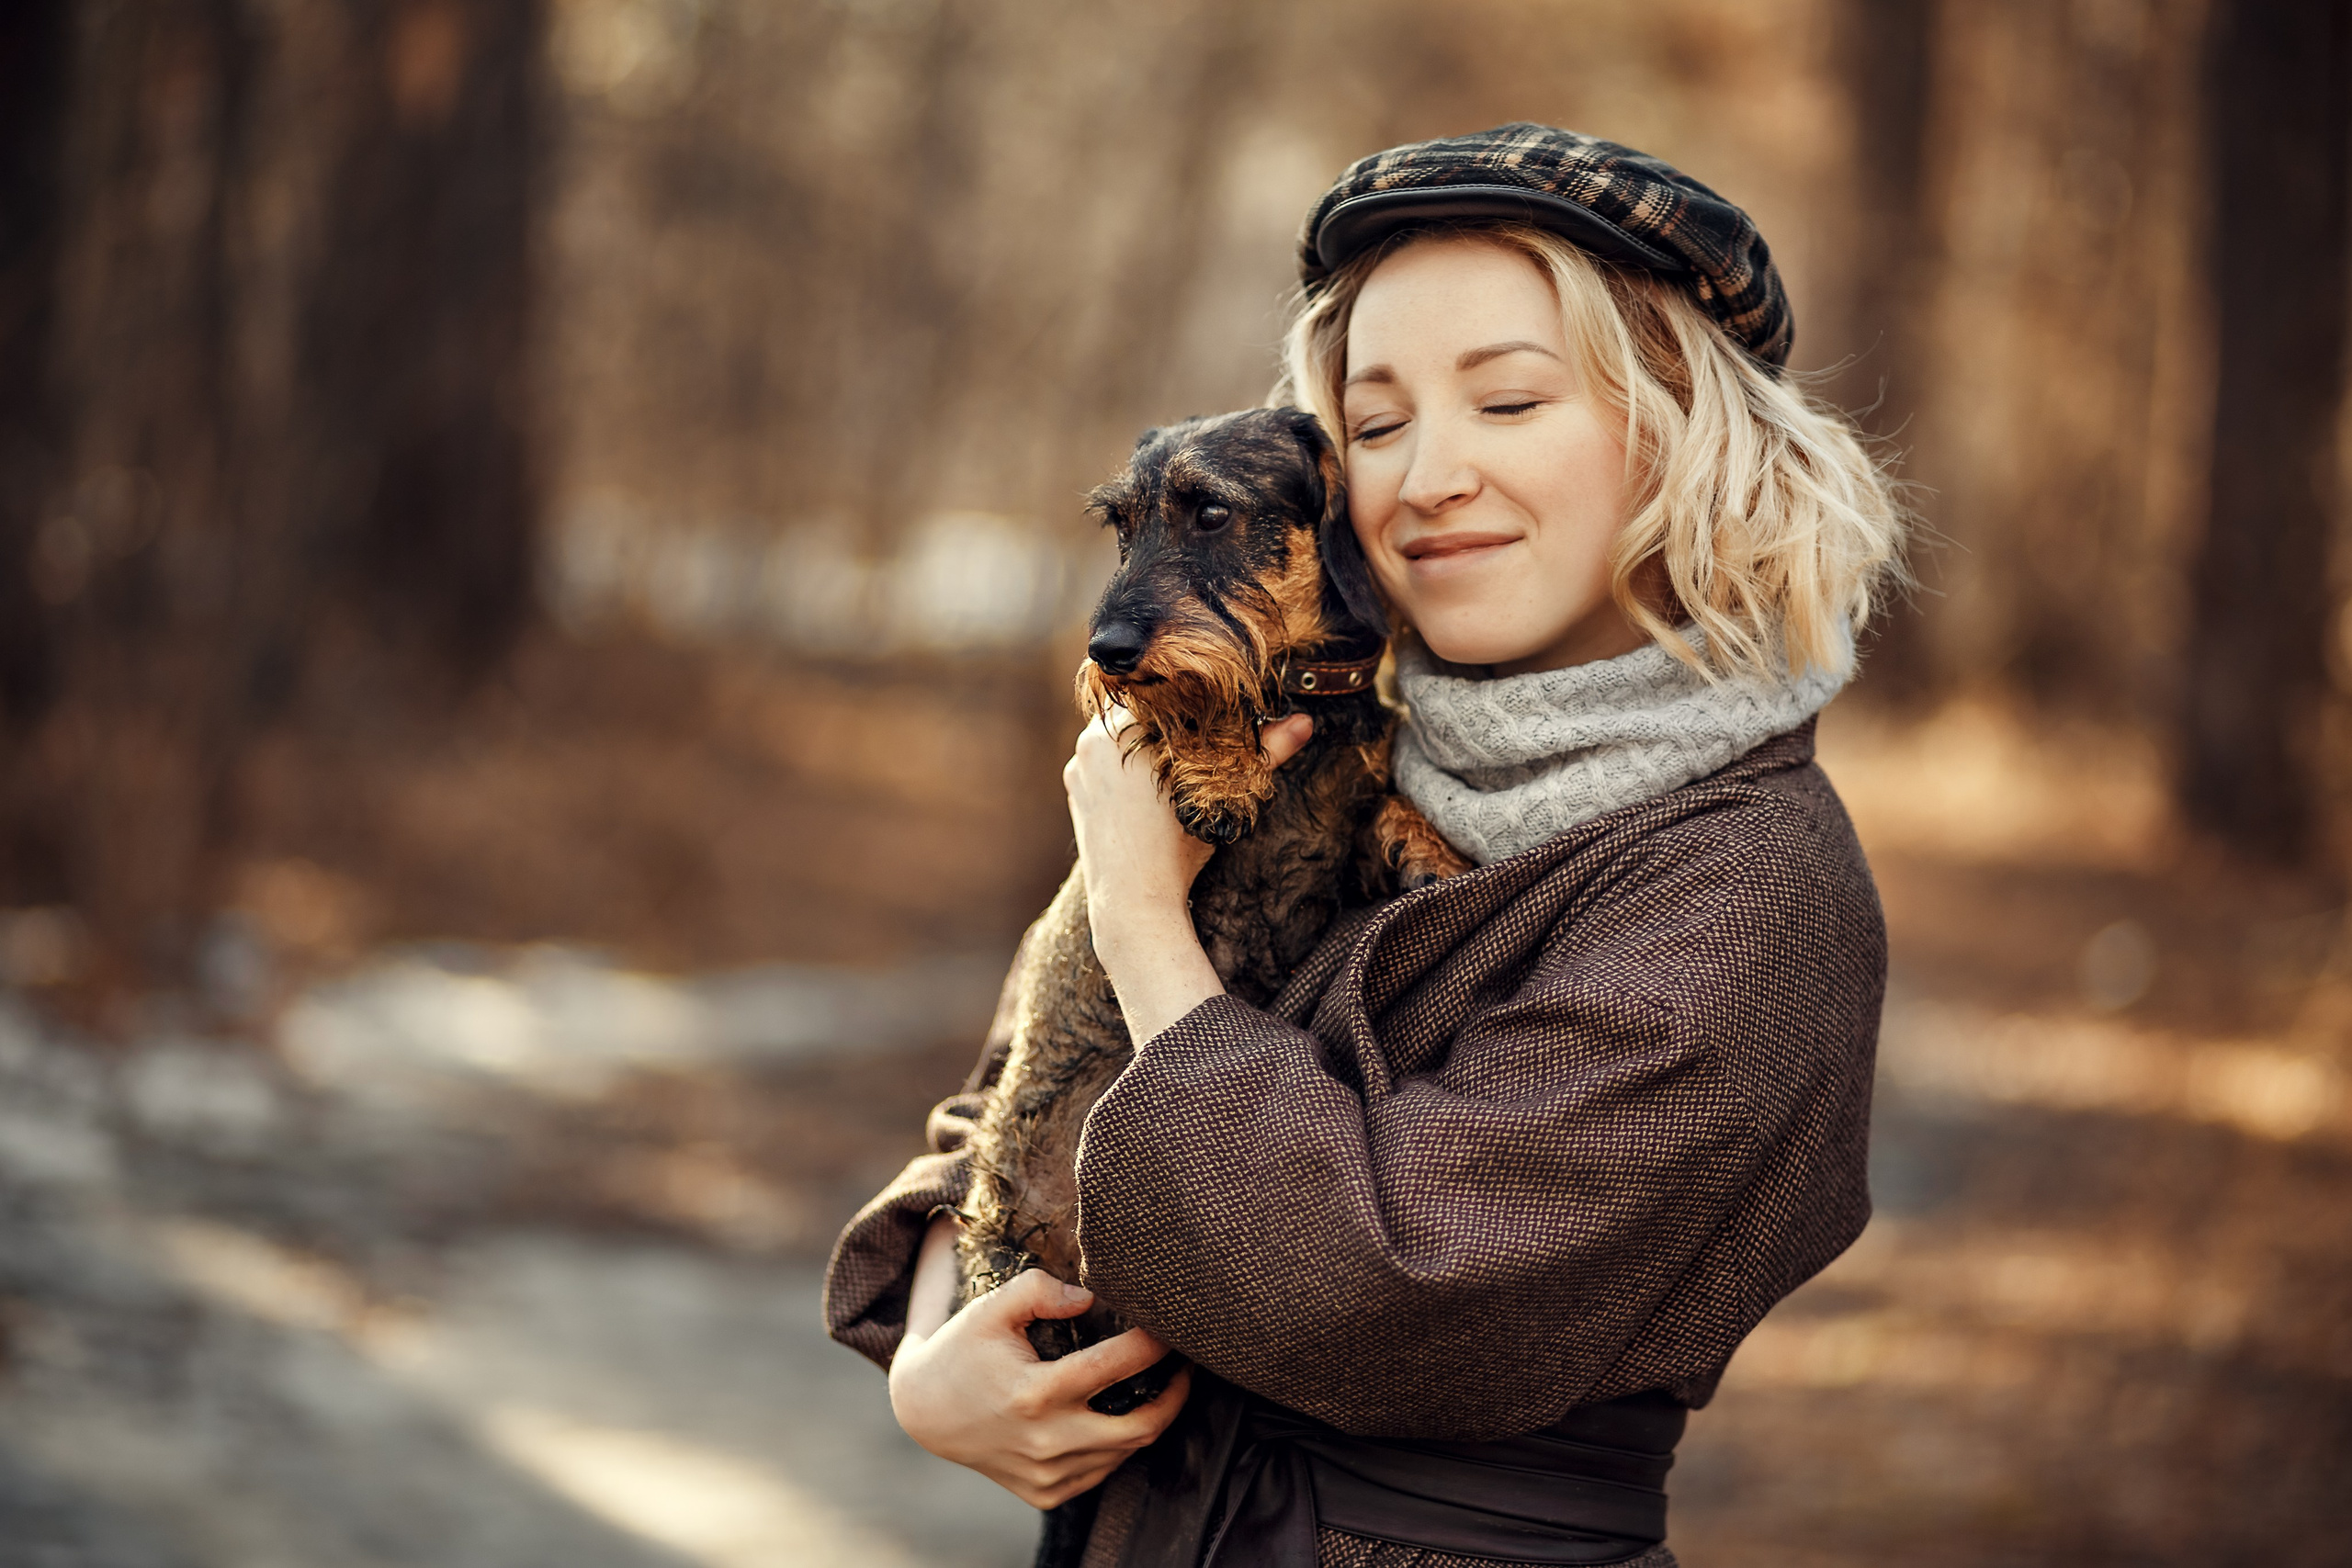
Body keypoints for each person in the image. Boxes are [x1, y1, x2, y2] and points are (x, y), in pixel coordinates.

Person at [824, 123, 1905, 1568]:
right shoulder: (1313, 748)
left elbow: (1393, 1290)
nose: (1428, 478)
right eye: (1378, 425)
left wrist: (1149, 917)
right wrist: (937, 1349)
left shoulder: (1753, 891)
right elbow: (1032, 1075)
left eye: (1510, 401)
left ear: (1687, 432)